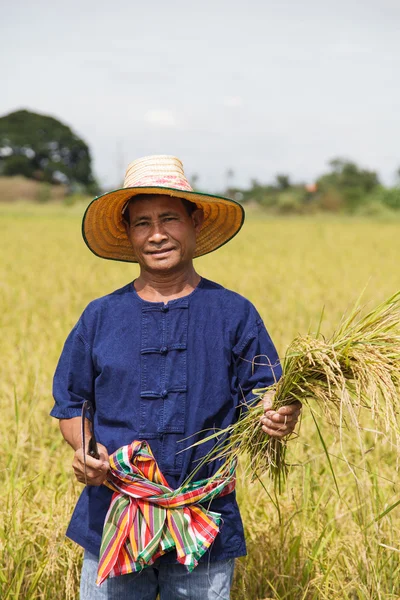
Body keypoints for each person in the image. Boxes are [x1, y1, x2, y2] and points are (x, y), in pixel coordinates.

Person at [51, 155, 301, 600]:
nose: (157, 233)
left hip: (203, 521)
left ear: (195, 222)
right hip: (115, 517)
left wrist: (280, 415)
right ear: (128, 234)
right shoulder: (100, 317)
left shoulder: (233, 313)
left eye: (169, 218)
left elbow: (268, 393)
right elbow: (73, 404)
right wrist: (86, 451)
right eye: (142, 222)